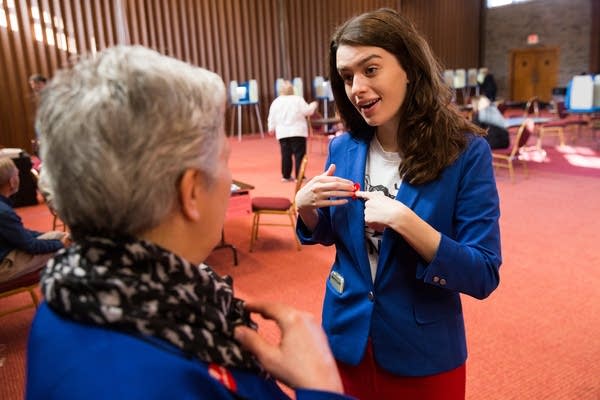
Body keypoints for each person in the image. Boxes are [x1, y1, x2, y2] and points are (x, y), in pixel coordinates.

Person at [26, 46, 353, 400]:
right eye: (224, 160)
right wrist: (321, 388)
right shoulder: (154, 383)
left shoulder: (72, 294)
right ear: (192, 191)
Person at [295, 8, 501, 400]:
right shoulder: (344, 146)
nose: (356, 87)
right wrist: (306, 208)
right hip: (345, 339)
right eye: (347, 76)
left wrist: (407, 222)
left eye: (370, 70)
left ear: (408, 66)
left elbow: (483, 273)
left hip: (423, 354)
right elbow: (334, 232)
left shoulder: (466, 152)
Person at [0, 157, 69, 283]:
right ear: (12, 181)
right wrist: (61, 244)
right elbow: (30, 246)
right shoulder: (4, 212)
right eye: (18, 174)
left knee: (59, 235)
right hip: (4, 267)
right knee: (69, 249)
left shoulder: (3, 207)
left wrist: (46, 235)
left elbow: (18, 234)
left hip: (7, 250)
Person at [268, 80, 318, 182]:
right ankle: (299, 177)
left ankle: (286, 176)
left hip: (283, 133)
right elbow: (307, 111)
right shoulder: (298, 99)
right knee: (299, 155)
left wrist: (271, 128)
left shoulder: (276, 102)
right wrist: (313, 105)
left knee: (286, 155)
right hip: (298, 132)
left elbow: (271, 117)